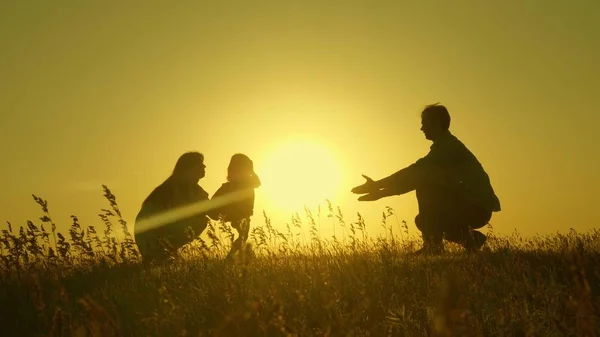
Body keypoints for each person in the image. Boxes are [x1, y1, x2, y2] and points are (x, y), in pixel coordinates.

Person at [351, 103, 501, 254]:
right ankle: (472, 241)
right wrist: (380, 191)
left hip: (477, 207)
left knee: (426, 193)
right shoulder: (443, 147)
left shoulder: (447, 148)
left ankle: (433, 247)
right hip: (471, 205)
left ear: (436, 123)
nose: (421, 128)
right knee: (423, 221)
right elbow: (414, 179)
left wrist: (377, 186)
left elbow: (414, 174)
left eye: (424, 123)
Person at [134, 151, 218, 263]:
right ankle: (160, 252)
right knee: (201, 220)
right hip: (149, 234)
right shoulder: (174, 189)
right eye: (200, 163)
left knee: (200, 219)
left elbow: (214, 213)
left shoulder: (192, 189)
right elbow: (213, 212)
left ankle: (163, 253)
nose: (204, 166)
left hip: (155, 233)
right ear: (188, 168)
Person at [211, 153, 261, 260]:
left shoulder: (248, 183)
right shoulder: (231, 186)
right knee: (243, 236)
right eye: (236, 171)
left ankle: (247, 255)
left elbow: (258, 183)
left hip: (243, 214)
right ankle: (231, 256)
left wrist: (252, 171)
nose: (241, 174)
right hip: (238, 214)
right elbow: (214, 200)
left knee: (243, 237)